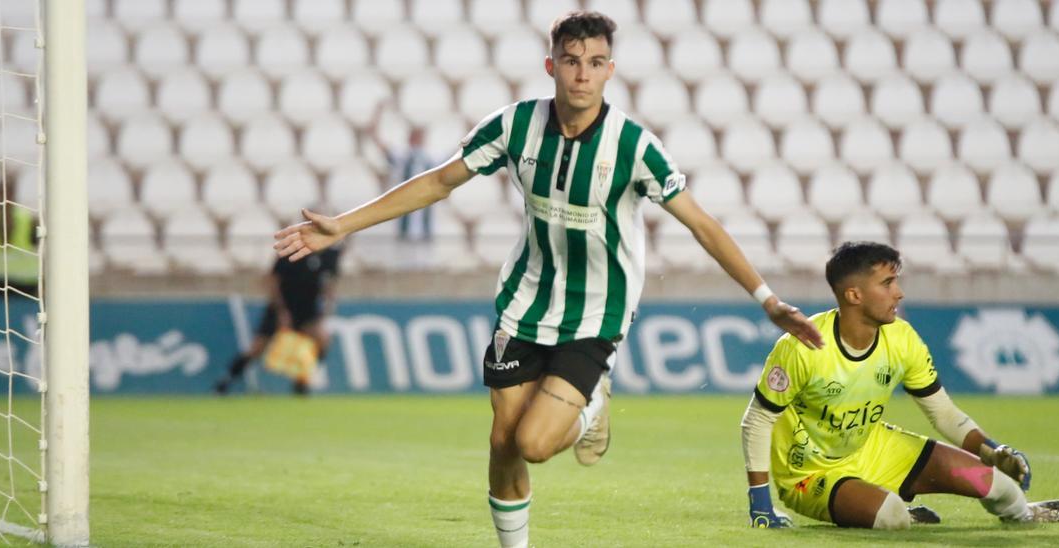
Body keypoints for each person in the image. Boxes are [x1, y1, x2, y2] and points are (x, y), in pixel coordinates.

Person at [273, 11, 823, 547]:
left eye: (596, 62)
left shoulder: (634, 146)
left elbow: (702, 224)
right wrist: (341, 226)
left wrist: (766, 298)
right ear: (550, 65)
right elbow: (439, 182)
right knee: (503, 442)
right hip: (525, 303)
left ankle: (591, 410)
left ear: (611, 71)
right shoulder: (514, 125)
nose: (582, 73)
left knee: (535, 444)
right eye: (572, 60)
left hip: (597, 312)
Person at [740, 241, 1059, 530]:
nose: (900, 293)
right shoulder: (803, 345)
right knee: (891, 517)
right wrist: (761, 506)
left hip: (873, 449)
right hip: (810, 472)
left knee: (999, 486)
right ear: (854, 295)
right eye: (888, 283)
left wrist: (992, 452)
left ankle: (1025, 515)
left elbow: (942, 412)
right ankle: (895, 509)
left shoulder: (902, 339)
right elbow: (757, 420)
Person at [214, 245, 343, 395]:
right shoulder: (292, 249)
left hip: (307, 310)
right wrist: (281, 311)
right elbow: (272, 280)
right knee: (257, 347)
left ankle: (301, 382)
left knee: (323, 340)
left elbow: (329, 284)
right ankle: (226, 380)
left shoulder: (331, 255)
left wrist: (325, 311)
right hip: (282, 307)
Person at [363, 101, 438, 243]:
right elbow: (374, 135)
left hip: (426, 231)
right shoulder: (401, 155)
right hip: (403, 228)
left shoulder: (432, 157)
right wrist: (378, 112)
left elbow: (460, 152)